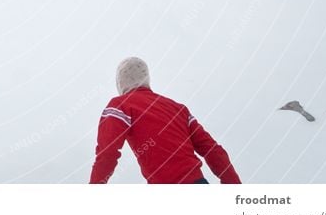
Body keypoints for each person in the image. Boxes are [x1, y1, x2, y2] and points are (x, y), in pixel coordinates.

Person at [89, 57, 241, 184]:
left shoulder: (120, 105)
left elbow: (107, 152)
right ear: (147, 79)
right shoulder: (179, 109)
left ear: (120, 83)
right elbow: (213, 150)